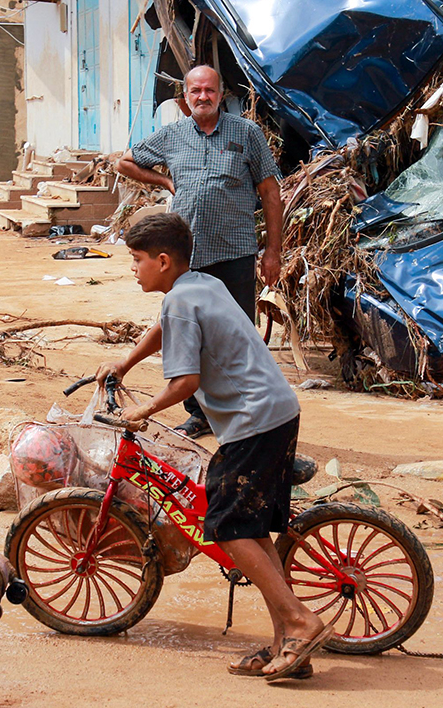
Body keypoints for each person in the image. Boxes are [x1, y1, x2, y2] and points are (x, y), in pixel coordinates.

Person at [96, 213, 325, 681]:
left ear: (162, 261)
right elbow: (165, 327)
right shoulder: (199, 285)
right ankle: (285, 642)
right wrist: (125, 361)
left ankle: (302, 621)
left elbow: (185, 382)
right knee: (253, 528)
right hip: (276, 409)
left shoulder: (181, 302)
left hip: (252, 421)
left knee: (225, 526)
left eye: (137, 260)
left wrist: (141, 412)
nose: (133, 269)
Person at [114, 65, 284, 439]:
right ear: (185, 98)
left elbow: (271, 193)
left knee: (236, 333)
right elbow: (124, 162)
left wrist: (273, 251)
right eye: (195, 91)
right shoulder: (172, 136)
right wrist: (164, 180)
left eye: (209, 90)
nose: (202, 96)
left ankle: (246, 411)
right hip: (185, 258)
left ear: (221, 94)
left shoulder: (247, 133)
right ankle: (199, 413)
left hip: (234, 251)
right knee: (185, 333)